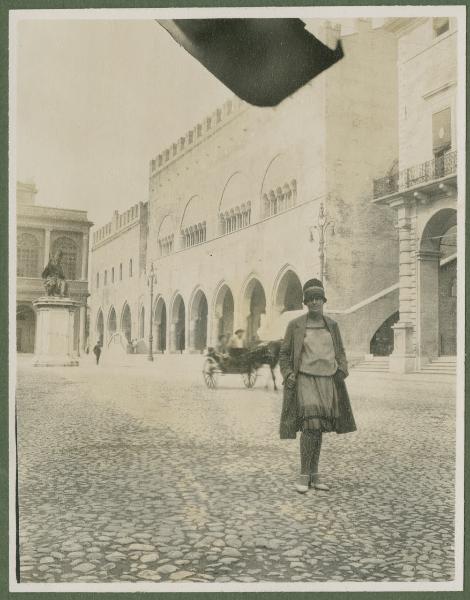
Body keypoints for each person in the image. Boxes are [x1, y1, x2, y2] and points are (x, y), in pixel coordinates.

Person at [279, 278, 356, 494]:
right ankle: (304, 475)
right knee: (309, 426)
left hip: (327, 380)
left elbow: (340, 351)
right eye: (310, 299)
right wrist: (287, 373)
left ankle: (315, 474)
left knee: (319, 428)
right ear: (305, 302)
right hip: (305, 379)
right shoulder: (295, 325)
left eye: (318, 299)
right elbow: (284, 354)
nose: (314, 303)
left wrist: (342, 369)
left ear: (323, 301)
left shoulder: (332, 325)